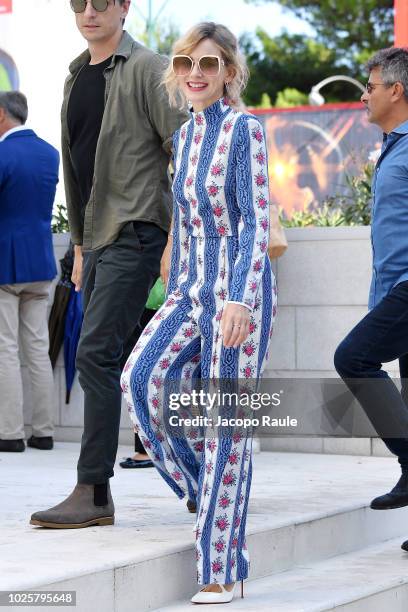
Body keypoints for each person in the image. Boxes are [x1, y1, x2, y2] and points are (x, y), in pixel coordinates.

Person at [121, 22, 277, 605]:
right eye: (186, 62)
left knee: (225, 431)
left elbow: (254, 221)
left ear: (229, 73)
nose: (195, 73)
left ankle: (222, 567)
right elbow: (187, 221)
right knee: (140, 382)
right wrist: (173, 272)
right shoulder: (184, 139)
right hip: (189, 292)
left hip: (241, 297)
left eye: (208, 64)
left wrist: (240, 298)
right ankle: (203, 489)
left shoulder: (246, 131)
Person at [30, 0, 188, 529]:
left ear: (124, 7)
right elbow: (76, 168)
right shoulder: (76, 75)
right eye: (79, 3)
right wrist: (77, 247)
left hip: (138, 230)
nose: (89, 12)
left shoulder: (147, 68)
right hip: (95, 240)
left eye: (102, 2)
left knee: (96, 355)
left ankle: (93, 490)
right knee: (101, 356)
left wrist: (173, 237)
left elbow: (184, 150)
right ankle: (187, 470)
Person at [334, 48, 408, 530]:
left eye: (373, 86)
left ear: (397, 91)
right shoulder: (392, 146)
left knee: (353, 358)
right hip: (393, 289)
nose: (365, 95)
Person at [0, 91, 59, 453]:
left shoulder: (3, 153)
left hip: (5, 263)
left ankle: (9, 434)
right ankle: (43, 431)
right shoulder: (49, 153)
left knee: (5, 347)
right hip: (41, 262)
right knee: (38, 347)